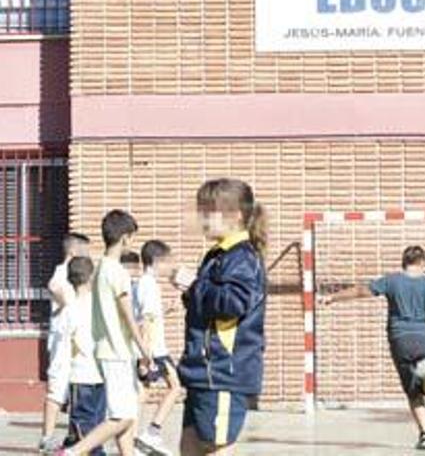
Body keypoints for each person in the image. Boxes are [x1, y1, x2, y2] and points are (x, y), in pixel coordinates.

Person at [322, 246, 425, 450]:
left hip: (399, 340)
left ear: (403, 263)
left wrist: (332, 297)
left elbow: (362, 290)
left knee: (413, 393)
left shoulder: (391, 280)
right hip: (424, 338)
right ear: (422, 263)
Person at [175, 178, 268, 455]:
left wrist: (195, 286)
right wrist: (190, 293)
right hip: (201, 372)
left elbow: (233, 302)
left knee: (215, 447)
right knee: (189, 446)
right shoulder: (217, 255)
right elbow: (208, 306)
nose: (202, 217)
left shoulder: (242, 257)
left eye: (209, 210)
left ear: (236, 215)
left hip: (223, 373)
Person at [59, 210, 153, 456]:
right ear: (124, 237)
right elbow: (128, 316)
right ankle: (74, 451)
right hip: (118, 350)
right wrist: (145, 350)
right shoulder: (117, 272)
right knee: (122, 416)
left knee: (128, 414)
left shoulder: (100, 269)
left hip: (106, 349)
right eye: (131, 237)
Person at [40, 233, 90, 454]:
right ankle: (46, 438)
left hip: (76, 339)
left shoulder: (81, 274)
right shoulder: (62, 272)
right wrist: (64, 301)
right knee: (57, 390)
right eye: (85, 249)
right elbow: (53, 286)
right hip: (63, 342)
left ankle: (73, 435)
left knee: (74, 388)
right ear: (73, 250)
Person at [133, 240, 181, 456]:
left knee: (144, 392)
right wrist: (147, 357)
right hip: (154, 350)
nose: (168, 266)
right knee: (174, 387)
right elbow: (146, 322)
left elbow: (149, 315)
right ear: (156, 261)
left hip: (152, 349)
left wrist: (165, 311)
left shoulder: (143, 283)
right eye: (166, 261)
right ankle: (146, 435)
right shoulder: (148, 285)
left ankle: (138, 437)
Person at [61, 256, 106, 456]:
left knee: (83, 428)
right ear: (91, 277)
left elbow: (64, 350)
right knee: (97, 426)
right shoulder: (100, 306)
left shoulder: (69, 310)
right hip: (101, 372)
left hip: (80, 375)